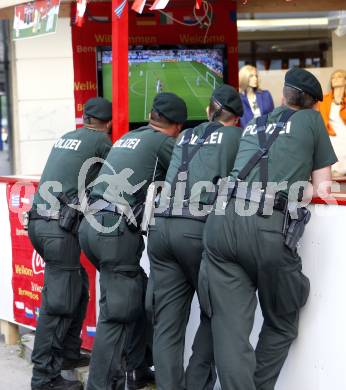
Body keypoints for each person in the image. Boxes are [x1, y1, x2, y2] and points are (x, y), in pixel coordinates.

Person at [200, 68, 337, 390]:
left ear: (284, 95)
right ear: (313, 104)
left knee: (231, 329)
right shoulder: (312, 121)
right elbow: (324, 189)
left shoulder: (256, 122)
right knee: (284, 317)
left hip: (221, 224)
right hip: (265, 228)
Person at [78, 92, 188, 390]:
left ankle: (136, 369)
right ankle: (100, 386)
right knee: (118, 313)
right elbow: (188, 177)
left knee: (135, 293)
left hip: (92, 225)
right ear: (177, 126)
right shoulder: (166, 142)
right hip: (113, 230)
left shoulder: (130, 136)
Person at [147, 85, 244, 390]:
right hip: (197, 230)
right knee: (216, 313)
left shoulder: (186, 135)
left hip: (162, 229)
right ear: (237, 119)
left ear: (208, 111)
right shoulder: (236, 137)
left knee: (167, 325)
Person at [28, 97, 113, 390]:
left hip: (39, 223)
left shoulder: (68, 137)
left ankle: (66, 354)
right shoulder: (101, 142)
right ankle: (43, 378)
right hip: (57, 228)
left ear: (85, 117)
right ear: (108, 124)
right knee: (58, 303)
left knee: (77, 287)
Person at [318, 69, 346, 176]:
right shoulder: (324, 100)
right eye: (333, 77)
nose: (335, 78)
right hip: (330, 136)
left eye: (339, 76)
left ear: (345, 81)